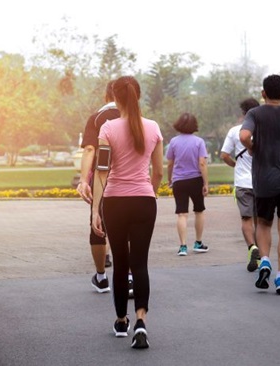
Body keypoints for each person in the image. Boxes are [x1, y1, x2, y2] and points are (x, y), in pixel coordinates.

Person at [91, 76, 163, 349]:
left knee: (121, 263)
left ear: (115, 98)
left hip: (115, 202)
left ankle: (122, 320)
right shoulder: (153, 128)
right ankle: (141, 320)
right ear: (138, 96)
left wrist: (96, 210)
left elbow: (102, 171)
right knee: (140, 262)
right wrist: (149, 192)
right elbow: (157, 171)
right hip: (144, 201)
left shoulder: (107, 129)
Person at [239, 74, 280, 295]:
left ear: (263, 93)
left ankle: (265, 261)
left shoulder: (254, 113)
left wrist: (251, 147)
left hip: (264, 181)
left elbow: (244, 135)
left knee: (264, 224)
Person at [77, 80, 120, 294]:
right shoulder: (136, 119)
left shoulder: (96, 118)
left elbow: (89, 150)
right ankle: (128, 276)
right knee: (128, 228)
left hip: (101, 180)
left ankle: (102, 277)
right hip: (130, 180)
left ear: (106, 96)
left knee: (98, 225)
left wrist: (84, 179)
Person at [220, 98, 261, 272]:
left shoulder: (235, 131)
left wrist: (234, 164)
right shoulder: (263, 130)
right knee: (262, 221)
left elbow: (224, 155)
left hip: (243, 183)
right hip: (262, 181)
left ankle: (252, 247)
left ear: (243, 113)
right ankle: (262, 257)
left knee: (246, 219)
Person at [166, 113, 209, 256]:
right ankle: (198, 242)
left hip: (179, 181)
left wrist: (170, 179)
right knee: (199, 210)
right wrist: (206, 183)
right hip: (195, 180)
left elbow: (170, 163)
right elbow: (202, 163)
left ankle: (183, 246)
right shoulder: (199, 142)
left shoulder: (173, 142)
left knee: (182, 214)